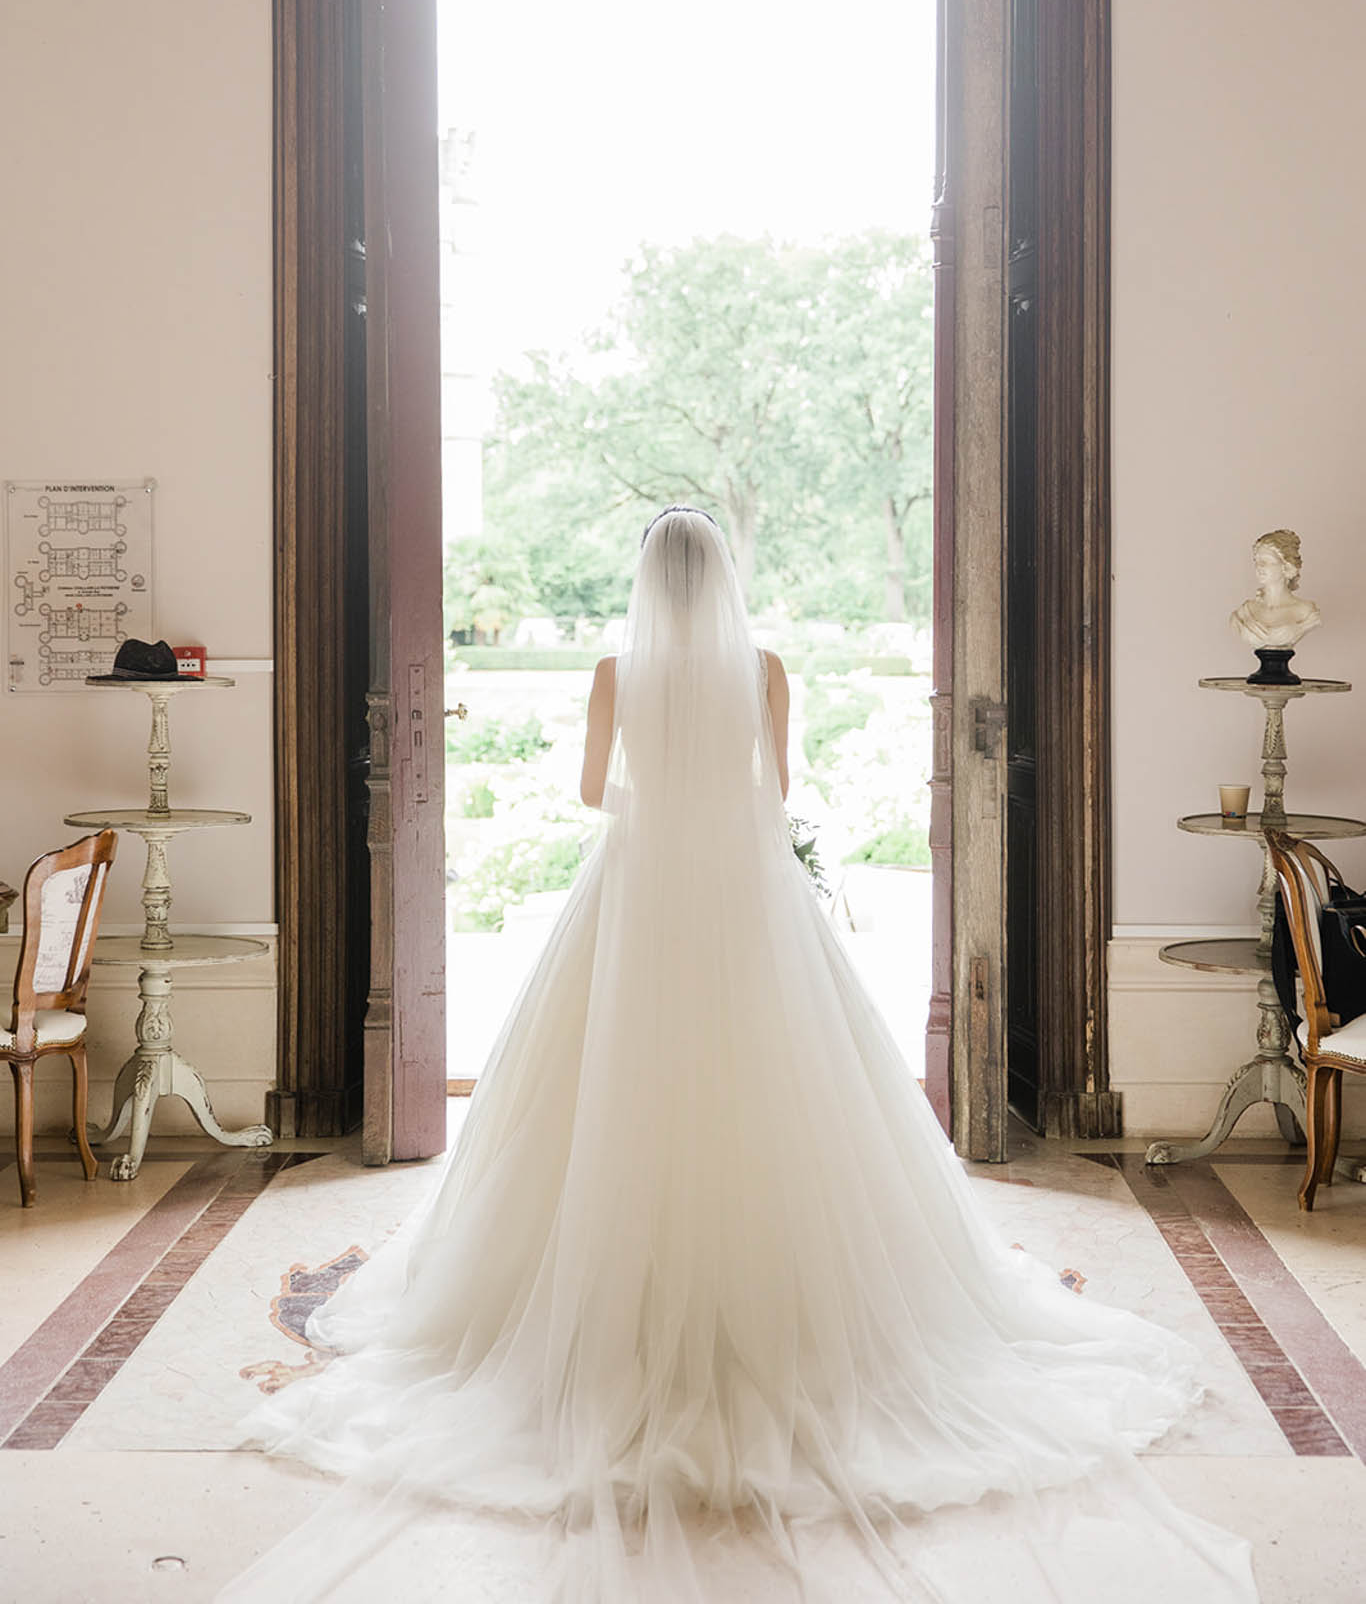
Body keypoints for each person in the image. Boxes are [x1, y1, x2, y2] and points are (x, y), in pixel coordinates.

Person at [221, 508, 1257, 1604]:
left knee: (602, 1091)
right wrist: (711, 812)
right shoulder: (763, 667)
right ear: (721, 577)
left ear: (643, 582)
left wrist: (655, 810)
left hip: (638, 891)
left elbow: (588, 793)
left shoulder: (615, 670)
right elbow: (775, 792)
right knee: (782, 1091)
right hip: (745, 895)